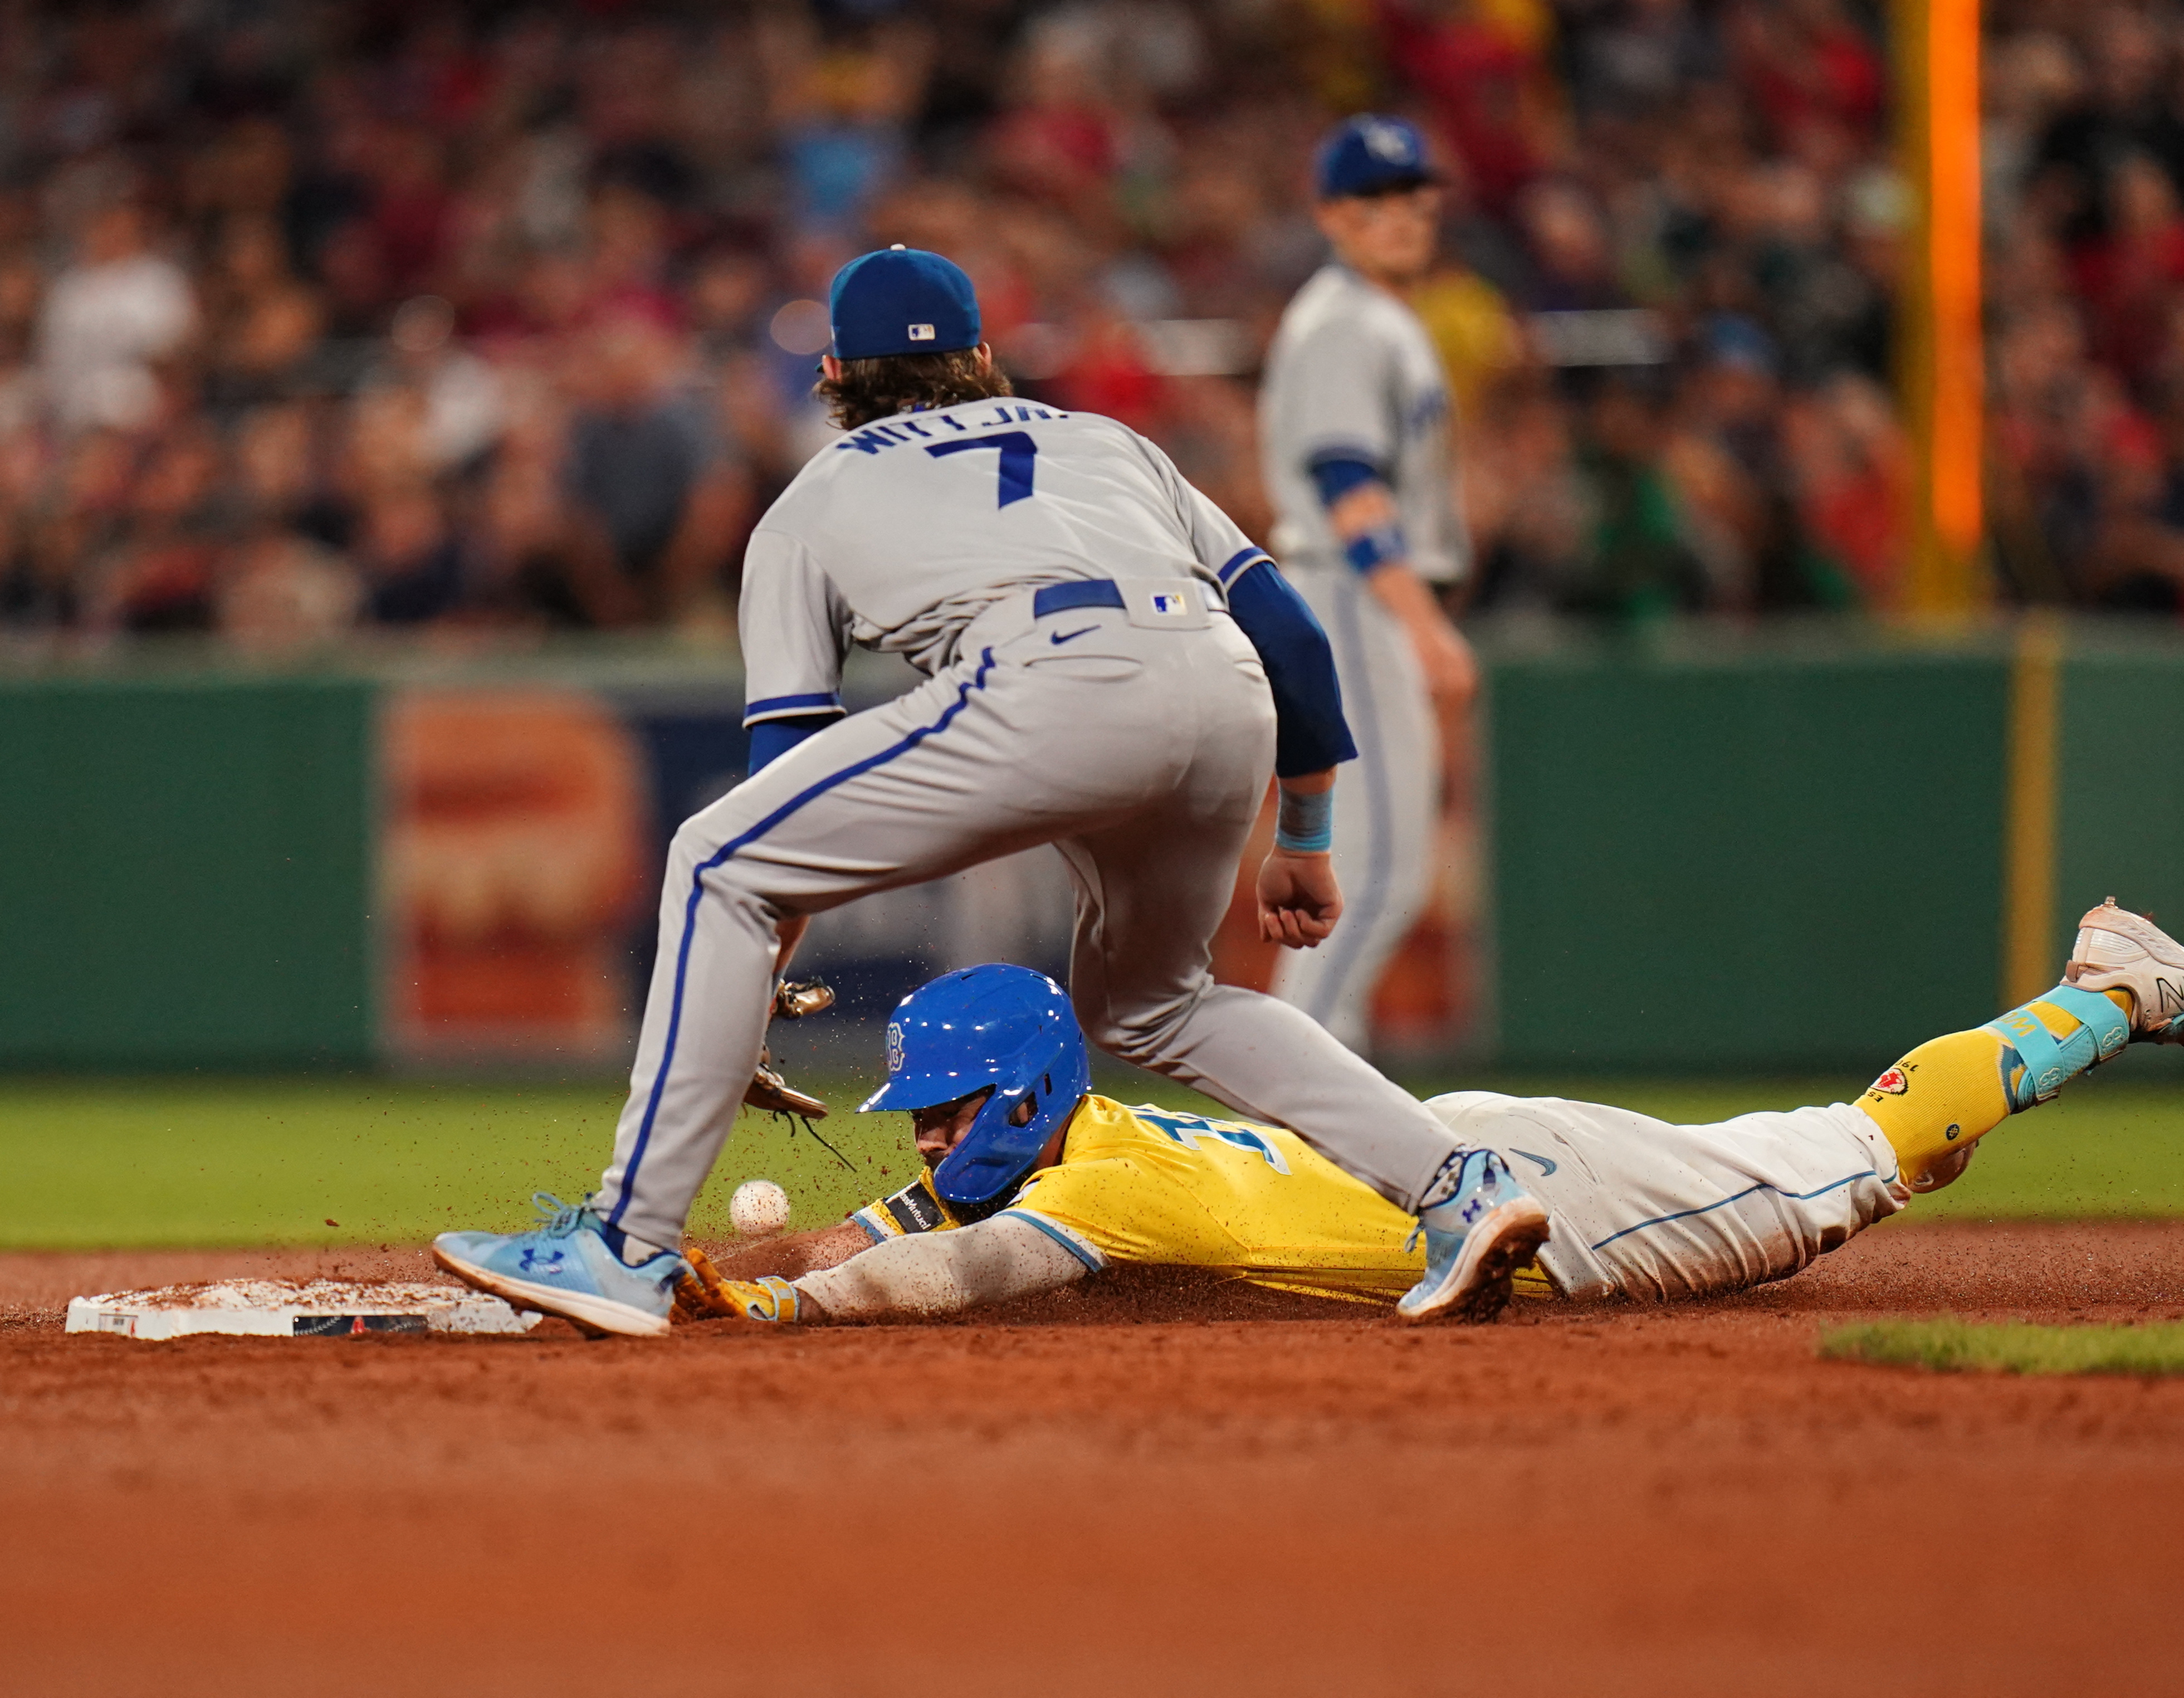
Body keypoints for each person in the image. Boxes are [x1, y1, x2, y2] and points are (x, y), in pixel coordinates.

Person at [431, 246, 1550, 1338]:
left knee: (714, 860)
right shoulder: (1112, 444)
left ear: (831, 377)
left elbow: (784, 789)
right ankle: (1458, 1185)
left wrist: (757, 966)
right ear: (980, 358)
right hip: (1224, 687)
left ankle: (623, 1248)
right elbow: (1295, 641)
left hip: (1048, 677)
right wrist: (1303, 832)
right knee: (1158, 1001)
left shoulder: (812, 499)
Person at [670, 900, 2184, 1326]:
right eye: (922, 1124)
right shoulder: (1053, 1154)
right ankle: (2076, 1012)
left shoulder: (1090, 1197)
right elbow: (864, 1234)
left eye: (946, 1118)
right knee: (1883, 1156)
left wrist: (780, 1323)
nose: (926, 1144)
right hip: (1451, 1155)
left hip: (1555, 1205)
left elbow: (935, 1276)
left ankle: (2113, 987)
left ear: (1017, 1101)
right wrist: (725, 1271)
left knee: (1876, 1146)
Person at [1257, 115, 1478, 1053]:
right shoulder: (1344, 322)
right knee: (1381, 866)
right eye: (1373, 199)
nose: (1399, 214)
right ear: (1331, 214)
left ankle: (1299, 1090)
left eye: (1410, 194)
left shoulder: (1377, 318)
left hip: (1350, 597)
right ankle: (1289, 1096)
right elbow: (1345, 485)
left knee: (1368, 867)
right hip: (1350, 594)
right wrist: (1421, 622)